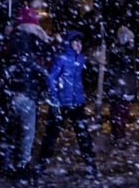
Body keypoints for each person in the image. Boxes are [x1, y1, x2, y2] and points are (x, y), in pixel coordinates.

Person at [0, 3, 52, 177]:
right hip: (27, 92)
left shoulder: (11, 39)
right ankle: (21, 165)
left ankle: (5, 163)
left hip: (11, 92)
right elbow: (38, 66)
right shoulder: (34, 39)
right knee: (26, 131)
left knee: (10, 130)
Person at [38, 31, 98, 178]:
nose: (79, 45)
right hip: (61, 103)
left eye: (80, 43)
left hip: (77, 103)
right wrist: (55, 98)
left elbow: (91, 73)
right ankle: (41, 164)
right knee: (51, 135)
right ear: (69, 44)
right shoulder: (62, 58)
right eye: (75, 42)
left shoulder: (82, 59)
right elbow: (51, 78)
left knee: (83, 135)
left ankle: (91, 165)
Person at [106, 24, 139, 147]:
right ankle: (119, 136)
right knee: (119, 113)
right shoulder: (121, 54)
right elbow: (121, 73)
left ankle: (119, 135)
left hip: (122, 88)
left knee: (121, 113)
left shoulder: (125, 53)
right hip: (120, 88)